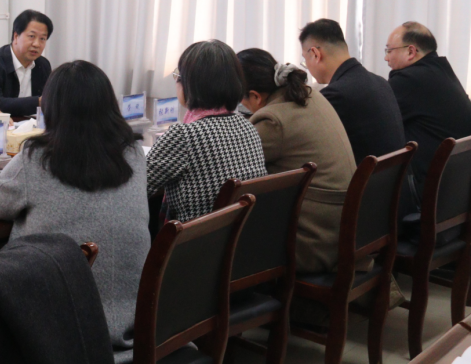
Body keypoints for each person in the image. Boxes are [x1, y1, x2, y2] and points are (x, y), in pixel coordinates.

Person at [0, 60, 149, 364]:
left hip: (57, 335)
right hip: (134, 327)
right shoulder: (134, 154)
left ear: (52, 107)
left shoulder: (37, 158)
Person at [237, 48, 356, 274]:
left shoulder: (271, 121)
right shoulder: (310, 94)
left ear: (255, 96)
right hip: (343, 229)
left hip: (313, 242)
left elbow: (232, 167)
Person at [147, 40, 267, 222]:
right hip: (236, 235)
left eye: (178, 75)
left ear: (191, 83)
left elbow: (137, 186)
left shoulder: (184, 136)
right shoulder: (247, 127)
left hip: (190, 236)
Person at [384, 21, 471, 207]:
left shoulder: (408, 80)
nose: (386, 58)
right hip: (457, 193)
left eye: (389, 50)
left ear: (411, 52)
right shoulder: (442, 71)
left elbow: (378, 121)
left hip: (428, 194)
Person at [299, 19, 405, 164]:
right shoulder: (380, 82)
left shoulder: (334, 95)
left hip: (364, 178)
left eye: (305, 61)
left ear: (315, 54)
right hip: (394, 177)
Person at [0, 9, 54, 116]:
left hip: (31, 124)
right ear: (16, 36)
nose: (36, 44)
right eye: (31, 36)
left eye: (42, 38)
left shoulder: (43, 64)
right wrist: (38, 102)